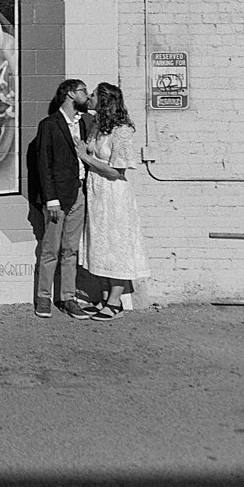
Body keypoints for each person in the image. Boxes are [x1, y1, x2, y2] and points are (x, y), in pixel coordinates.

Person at [73, 82, 151, 321]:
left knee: (116, 245)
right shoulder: (97, 126)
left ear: (105, 101)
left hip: (114, 194)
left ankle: (115, 301)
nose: (90, 98)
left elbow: (117, 171)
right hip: (97, 193)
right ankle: (105, 297)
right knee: (100, 245)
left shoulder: (122, 130)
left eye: (94, 95)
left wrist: (86, 158)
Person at [33, 79, 93, 319]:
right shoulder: (49, 125)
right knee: (50, 249)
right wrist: (51, 200)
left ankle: (68, 298)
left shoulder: (86, 124)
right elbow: (43, 164)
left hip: (80, 193)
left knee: (71, 250)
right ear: (70, 94)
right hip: (58, 197)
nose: (87, 96)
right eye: (83, 91)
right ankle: (44, 297)